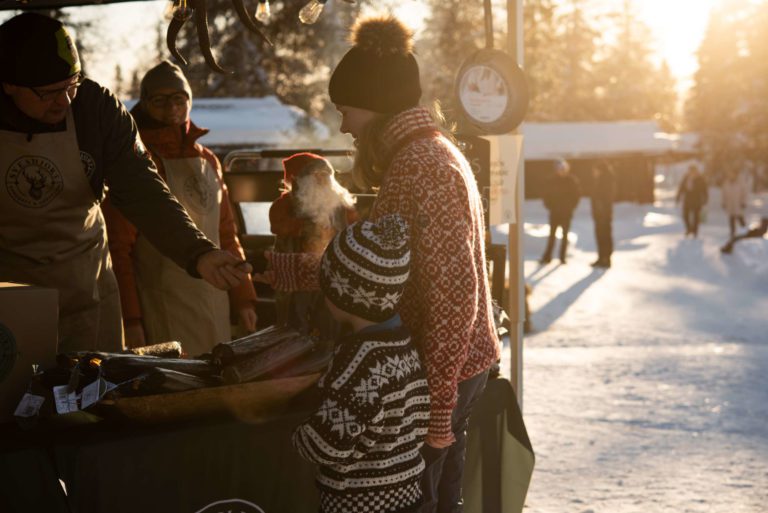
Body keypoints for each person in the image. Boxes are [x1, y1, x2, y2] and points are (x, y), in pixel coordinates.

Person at [259, 16, 500, 512]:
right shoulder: (421, 156)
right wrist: (285, 272)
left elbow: (456, 297)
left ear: (377, 106)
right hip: (445, 369)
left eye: (347, 110)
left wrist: (436, 416)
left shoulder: (423, 167)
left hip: (443, 375)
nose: (344, 125)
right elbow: (379, 268)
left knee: (428, 501)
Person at [0, 13, 251, 353]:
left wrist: (198, 252)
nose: (64, 101)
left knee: (93, 394)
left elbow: (142, 189)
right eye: (48, 93)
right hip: (9, 293)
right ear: (9, 83)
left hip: (86, 285)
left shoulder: (96, 110)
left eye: (71, 85)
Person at [101, 61, 258, 355]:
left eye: (178, 99)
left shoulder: (208, 159)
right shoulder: (135, 163)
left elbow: (226, 233)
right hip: (161, 305)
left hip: (215, 298)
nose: (171, 108)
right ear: (145, 104)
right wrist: (131, 319)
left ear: (189, 100)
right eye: (159, 101)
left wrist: (244, 299)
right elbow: (118, 249)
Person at [292, 215, 430, 513]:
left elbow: (327, 444)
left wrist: (299, 435)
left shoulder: (358, 360)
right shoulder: (404, 346)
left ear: (342, 294)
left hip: (358, 502)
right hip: (407, 495)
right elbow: (419, 421)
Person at [269, 152, 357, 338]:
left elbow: (353, 227)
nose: (323, 181)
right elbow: (278, 225)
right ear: (300, 180)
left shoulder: (340, 204)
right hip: (296, 275)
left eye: (326, 176)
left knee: (329, 320)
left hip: (331, 275)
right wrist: (306, 226)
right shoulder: (286, 205)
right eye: (317, 176)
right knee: (296, 320)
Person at [540, 158, 581, 264]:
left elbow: (576, 196)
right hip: (554, 212)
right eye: (559, 169)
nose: (561, 171)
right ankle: (547, 256)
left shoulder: (571, 180)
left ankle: (562, 257)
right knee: (552, 235)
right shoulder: (552, 180)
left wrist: (571, 207)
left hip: (566, 213)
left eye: (563, 169)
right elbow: (546, 195)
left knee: (565, 235)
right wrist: (549, 206)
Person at [590, 160, 615, 268]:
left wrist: (601, 211)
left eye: (595, 170)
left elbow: (604, 199)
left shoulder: (606, 181)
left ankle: (606, 258)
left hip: (603, 215)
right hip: (600, 215)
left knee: (604, 236)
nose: (594, 172)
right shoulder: (601, 180)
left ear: (600, 170)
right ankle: (601, 258)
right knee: (601, 236)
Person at [676, 164, 709, 238]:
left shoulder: (700, 179)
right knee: (685, 215)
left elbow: (704, 190)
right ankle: (689, 229)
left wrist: (705, 199)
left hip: (696, 200)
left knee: (696, 217)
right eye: (690, 171)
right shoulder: (686, 178)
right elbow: (681, 188)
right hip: (687, 199)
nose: (691, 172)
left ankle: (695, 231)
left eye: (693, 171)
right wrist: (678, 197)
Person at [721, 168, 748, 238]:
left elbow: (744, 193)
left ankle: (745, 231)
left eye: (732, 174)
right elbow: (723, 193)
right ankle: (732, 232)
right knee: (731, 218)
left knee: (740, 217)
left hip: (738, 203)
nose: (730, 175)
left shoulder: (741, 183)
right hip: (730, 203)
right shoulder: (726, 182)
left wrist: (743, 202)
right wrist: (723, 202)